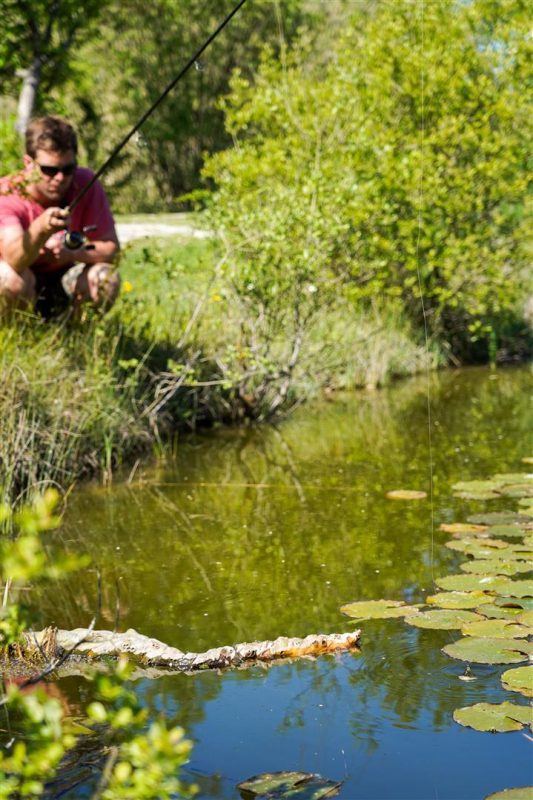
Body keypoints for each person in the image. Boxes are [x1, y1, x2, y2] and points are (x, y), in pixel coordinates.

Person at [0, 115, 120, 316]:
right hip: (21, 283)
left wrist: (72, 252)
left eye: (68, 169)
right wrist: (41, 229)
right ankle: (21, 339)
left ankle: (78, 340)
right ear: (29, 163)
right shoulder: (7, 193)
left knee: (105, 278)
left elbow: (111, 248)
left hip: (64, 281)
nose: (60, 178)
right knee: (6, 279)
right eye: (49, 170)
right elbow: (14, 259)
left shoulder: (86, 183)